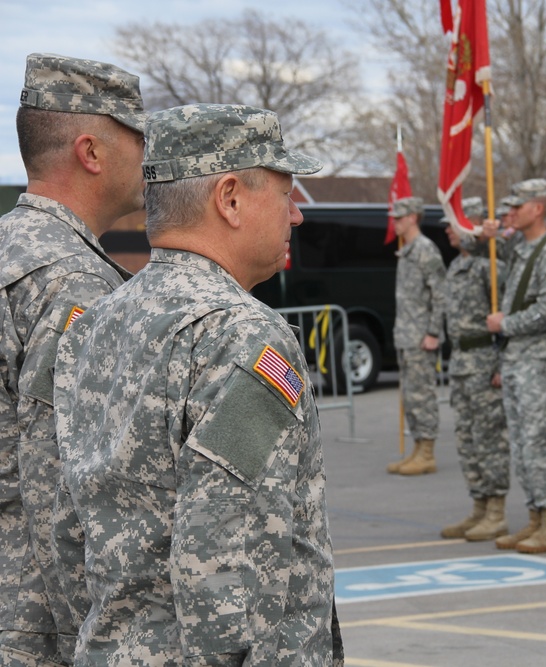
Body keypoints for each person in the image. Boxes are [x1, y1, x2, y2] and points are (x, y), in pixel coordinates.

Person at [52, 103, 343, 665]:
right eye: (286, 194)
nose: (297, 216)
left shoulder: (93, 325)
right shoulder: (243, 334)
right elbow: (227, 557)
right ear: (230, 198)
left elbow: (67, 528)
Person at [0, 52, 145, 666]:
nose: (150, 162)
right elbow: (62, 486)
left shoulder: (12, 250)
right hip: (36, 622)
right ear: (91, 152)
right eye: (140, 141)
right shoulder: (72, 282)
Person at [486, 178, 546, 554]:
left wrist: (506, 324)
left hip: (542, 361)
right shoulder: (522, 250)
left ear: (537, 209)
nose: (509, 213)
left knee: (540, 444)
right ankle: (535, 517)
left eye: (516, 207)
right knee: (522, 445)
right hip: (519, 360)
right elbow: (485, 245)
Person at [439, 197, 511, 541]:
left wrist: (501, 361)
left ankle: (496, 510)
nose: (447, 230)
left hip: (484, 360)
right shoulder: (456, 267)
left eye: (453, 223)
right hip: (461, 364)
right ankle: (479, 506)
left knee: (489, 437)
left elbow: (503, 316)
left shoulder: (489, 266)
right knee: (467, 437)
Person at [385, 196, 447, 475]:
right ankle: (418, 449)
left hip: (422, 336)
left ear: (412, 218)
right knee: (411, 396)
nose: (395, 222)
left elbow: (440, 294)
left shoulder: (425, 250)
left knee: (423, 395)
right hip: (407, 336)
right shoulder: (408, 250)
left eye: (399, 218)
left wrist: (434, 332)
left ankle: (428, 453)